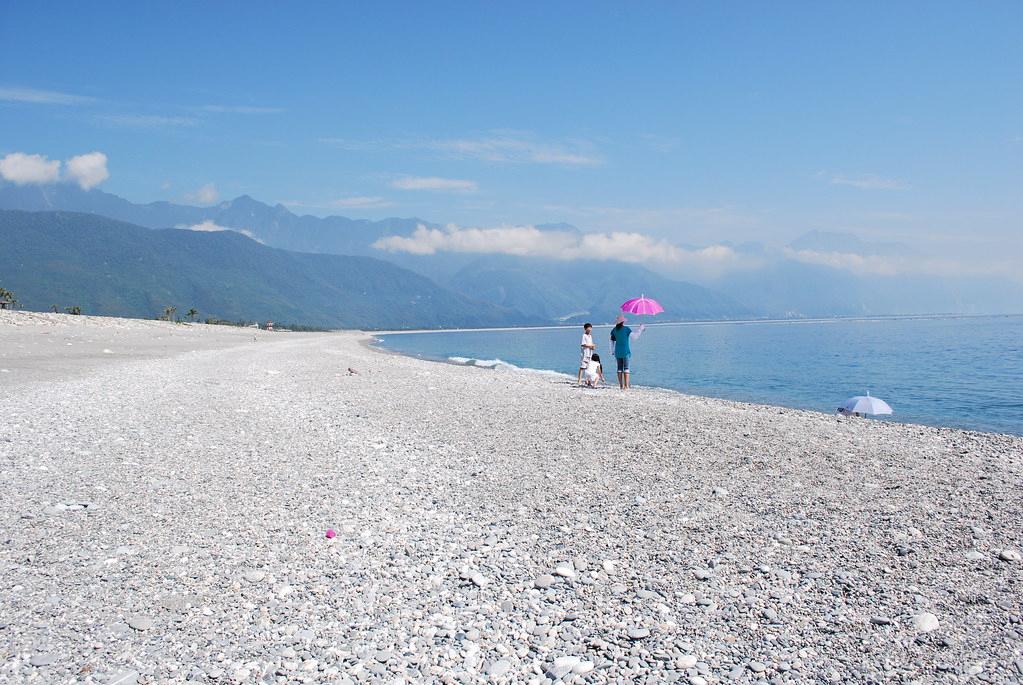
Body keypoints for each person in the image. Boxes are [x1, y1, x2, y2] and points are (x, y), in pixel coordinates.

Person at [609, 314, 633, 390]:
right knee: (626, 368)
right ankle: (626, 386)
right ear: (623, 322)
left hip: (617, 351)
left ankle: (621, 386)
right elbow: (634, 337)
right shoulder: (627, 329)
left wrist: (612, 351)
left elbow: (611, 341)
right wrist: (641, 329)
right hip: (625, 351)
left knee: (619, 368)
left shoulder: (614, 330)